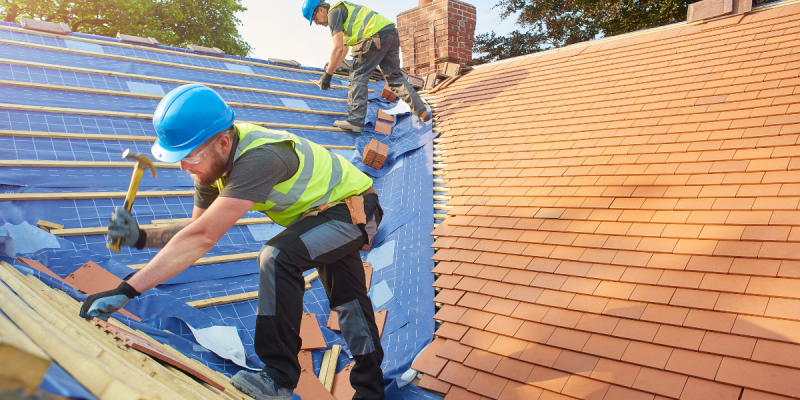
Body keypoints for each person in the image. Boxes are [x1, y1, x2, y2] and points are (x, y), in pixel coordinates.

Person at [79, 84, 386, 400]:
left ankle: (279, 378)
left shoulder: (260, 159)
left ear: (223, 142)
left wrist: (126, 289)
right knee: (349, 301)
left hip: (355, 209)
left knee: (277, 257)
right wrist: (141, 237)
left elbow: (202, 238)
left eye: (189, 156)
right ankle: (372, 392)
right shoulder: (210, 169)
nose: (185, 167)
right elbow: (196, 229)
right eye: (178, 159)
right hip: (322, 217)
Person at [303, 0, 431, 133]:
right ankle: (422, 111)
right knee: (394, 78)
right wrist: (329, 72)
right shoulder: (342, 13)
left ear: (321, 10)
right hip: (390, 34)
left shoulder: (333, 13)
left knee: (358, 76)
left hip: (374, 37)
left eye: (314, 18)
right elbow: (343, 51)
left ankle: (355, 120)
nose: (317, 23)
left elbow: (338, 48)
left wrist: (328, 75)